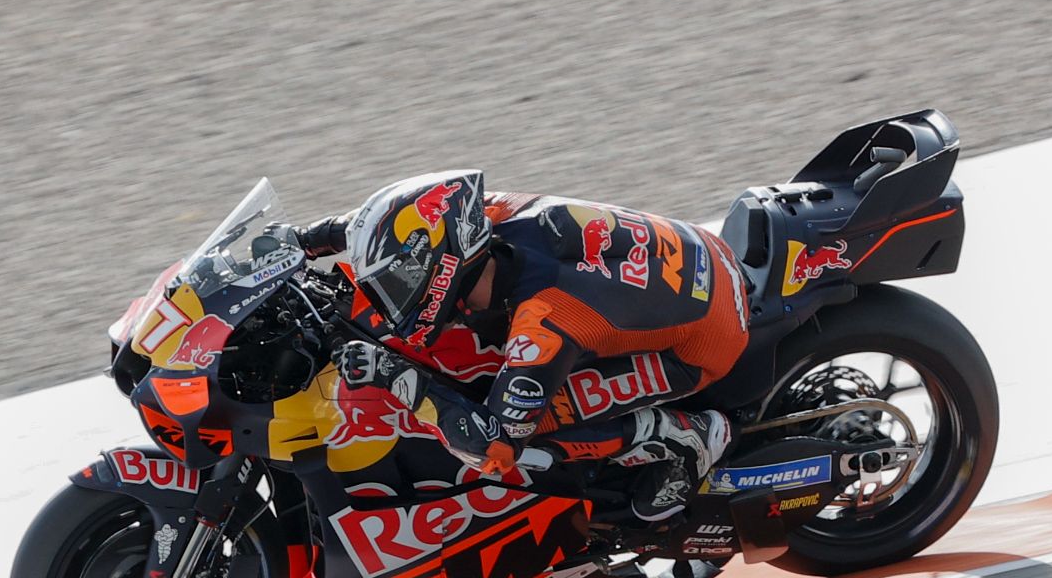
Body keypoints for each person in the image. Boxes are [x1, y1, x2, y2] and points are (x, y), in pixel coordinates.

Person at [298, 170, 750, 522]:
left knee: (531, 429)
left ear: (443, 270)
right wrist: (310, 238)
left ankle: (687, 437)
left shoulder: (544, 324)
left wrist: (397, 376)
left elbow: (493, 449)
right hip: (700, 254)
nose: (392, 294)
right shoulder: (487, 216)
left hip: (703, 342)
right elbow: (410, 221)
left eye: (400, 281)